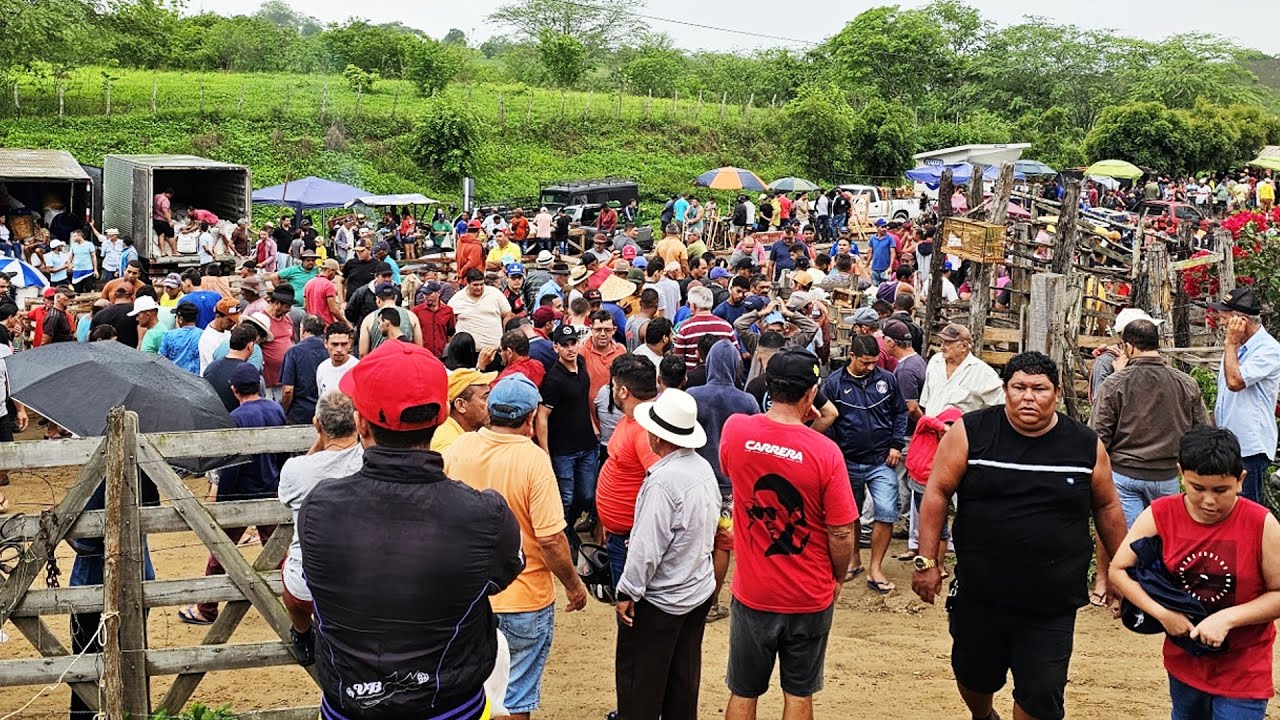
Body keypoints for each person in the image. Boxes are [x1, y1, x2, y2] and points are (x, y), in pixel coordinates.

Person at [299, 341, 524, 720]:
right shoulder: (484, 514)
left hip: (351, 704)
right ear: (439, 420)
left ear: (361, 423)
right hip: (448, 703)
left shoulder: (320, 506)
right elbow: (504, 574)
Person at [913, 351, 1127, 720]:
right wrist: (927, 561)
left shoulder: (1084, 444)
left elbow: (1107, 507)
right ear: (1004, 390)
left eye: (1039, 389)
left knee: (1042, 692)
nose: (1029, 396)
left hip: (1052, 599)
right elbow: (937, 493)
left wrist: (1121, 573)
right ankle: (984, 716)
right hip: (980, 592)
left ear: (1056, 393)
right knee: (973, 675)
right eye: (1019, 388)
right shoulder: (972, 431)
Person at [719, 348, 856, 720]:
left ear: (768, 386)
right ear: (811, 394)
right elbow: (841, 531)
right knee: (799, 693)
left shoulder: (736, 429)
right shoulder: (825, 452)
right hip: (809, 592)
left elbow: (731, 470)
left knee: (744, 691)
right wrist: (837, 577)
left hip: (754, 591)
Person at [1108, 426, 1280, 720]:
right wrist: (1163, 614)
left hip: (1243, 667)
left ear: (1240, 480)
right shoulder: (1160, 515)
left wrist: (1226, 618)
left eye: (1221, 490)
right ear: (1181, 474)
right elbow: (1119, 570)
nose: (1209, 501)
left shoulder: (1261, 524)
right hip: (1184, 661)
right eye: (1197, 488)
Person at [444, 374, 590, 720]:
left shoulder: (458, 449)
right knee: (515, 699)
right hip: (523, 597)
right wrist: (573, 585)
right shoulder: (534, 460)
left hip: (466, 597)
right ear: (529, 419)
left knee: (467, 695)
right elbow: (551, 539)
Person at [615, 389, 720, 720]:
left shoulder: (663, 482)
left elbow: (647, 548)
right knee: (682, 680)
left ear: (658, 437)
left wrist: (628, 591)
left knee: (640, 686)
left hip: (663, 599)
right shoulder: (702, 468)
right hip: (696, 588)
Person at [179, 363, 286, 625]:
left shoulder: (236, 418)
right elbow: (284, 451)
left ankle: (207, 607)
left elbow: (232, 466)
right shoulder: (276, 409)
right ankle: (294, 601)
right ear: (258, 385)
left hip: (242, 493)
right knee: (277, 550)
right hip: (270, 487)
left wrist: (222, 497)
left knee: (222, 551)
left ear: (234, 389)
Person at [276, 390, 365, 664]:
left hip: (307, 583)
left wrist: (317, 444)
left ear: (317, 425)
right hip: (363, 582)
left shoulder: (296, 469)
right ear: (357, 421)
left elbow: (286, 496)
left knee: (291, 580)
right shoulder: (371, 460)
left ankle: (302, 632)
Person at [823, 334, 907, 593]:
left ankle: (876, 567)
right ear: (852, 357)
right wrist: (835, 452)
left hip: (882, 459)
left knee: (885, 511)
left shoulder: (887, 380)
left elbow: (900, 412)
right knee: (851, 514)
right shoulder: (834, 384)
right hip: (848, 461)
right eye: (865, 362)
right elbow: (826, 421)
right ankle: (854, 559)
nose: (870, 367)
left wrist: (896, 444)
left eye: (874, 362)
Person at [688, 339, 758, 622]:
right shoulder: (747, 401)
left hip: (696, 481)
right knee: (721, 545)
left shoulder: (693, 395)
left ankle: (690, 598)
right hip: (731, 487)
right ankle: (713, 603)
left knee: (694, 542)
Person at [1209, 287, 1280, 502]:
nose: (1222, 323)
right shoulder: (1237, 346)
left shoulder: (1268, 349)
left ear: (1241, 320)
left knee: (1245, 511)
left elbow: (1234, 382)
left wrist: (1230, 343)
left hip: (1249, 447)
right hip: (1230, 444)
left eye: (1225, 318)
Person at [596, 354, 662, 578]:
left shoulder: (647, 431)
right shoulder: (633, 417)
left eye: (613, 385)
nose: (611, 391)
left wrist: (638, 539)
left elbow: (662, 489)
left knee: (631, 610)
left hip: (632, 543)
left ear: (623, 391)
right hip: (621, 534)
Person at [538, 323, 599, 538]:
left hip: (588, 444)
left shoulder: (581, 363)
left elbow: (582, 399)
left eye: (573, 343)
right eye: (565, 345)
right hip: (564, 450)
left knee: (587, 495)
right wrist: (545, 451)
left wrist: (592, 423)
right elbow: (542, 415)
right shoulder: (554, 379)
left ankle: (570, 526)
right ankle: (565, 536)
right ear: (556, 348)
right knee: (566, 497)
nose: (571, 348)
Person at [919, 323, 1004, 416]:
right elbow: (926, 400)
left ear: (964, 346)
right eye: (941, 342)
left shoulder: (983, 373)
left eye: (947, 343)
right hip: (932, 427)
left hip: (959, 429)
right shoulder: (935, 361)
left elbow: (1002, 405)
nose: (941, 347)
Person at [431, 367, 497, 453]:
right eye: (485, 397)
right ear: (461, 405)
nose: (492, 402)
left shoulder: (464, 433)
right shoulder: (448, 444)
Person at [671, 286, 737, 371]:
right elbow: (736, 355)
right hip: (721, 375)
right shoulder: (726, 327)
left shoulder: (685, 328)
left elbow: (677, 358)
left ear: (693, 306)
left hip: (692, 378)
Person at [451, 268, 513, 357]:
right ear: (467, 283)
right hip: (467, 354)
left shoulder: (495, 294)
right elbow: (451, 322)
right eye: (475, 285)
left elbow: (507, 314)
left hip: (494, 351)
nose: (479, 288)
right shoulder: (457, 299)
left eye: (481, 284)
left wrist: (505, 337)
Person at [280, 315, 329, 425]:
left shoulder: (294, 352)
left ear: (303, 330)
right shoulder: (330, 350)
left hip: (300, 414)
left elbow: (288, 390)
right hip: (326, 412)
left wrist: (283, 410)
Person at [412, 280, 456, 358]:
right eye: (425, 294)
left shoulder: (448, 311)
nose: (426, 297)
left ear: (438, 293)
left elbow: (451, 333)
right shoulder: (416, 311)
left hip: (442, 354)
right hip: (423, 354)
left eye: (429, 294)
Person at [315, 322, 358, 396]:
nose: (339, 349)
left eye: (344, 344)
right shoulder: (322, 368)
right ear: (326, 343)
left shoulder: (357, 369)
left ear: (350, 344)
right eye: (334, 344)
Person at [159, 302, 203, 373]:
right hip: (195, 378)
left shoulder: (170, 335)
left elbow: (161, 358)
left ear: (180, 318)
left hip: (173, 376)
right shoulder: (203, 335)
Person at [303, 258, 343, 325]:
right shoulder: (329, 285)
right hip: (325, 325)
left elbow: (305, 306)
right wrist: (345, 322)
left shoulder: (309, 283)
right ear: (330, 271)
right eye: (335, 273)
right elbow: (333, 310)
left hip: (311, 324)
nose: (334, 276)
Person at [153, 187, 177, 257]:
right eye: (171, 195)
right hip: (163, 220)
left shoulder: (156, 196)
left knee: (161, 235)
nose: (171, 197)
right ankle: (174, 252)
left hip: (156, 219)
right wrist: (170, 221)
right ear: (168, 194)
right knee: (171, 236)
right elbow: (165, 210)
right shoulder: (165, 200)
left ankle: (163, 252)